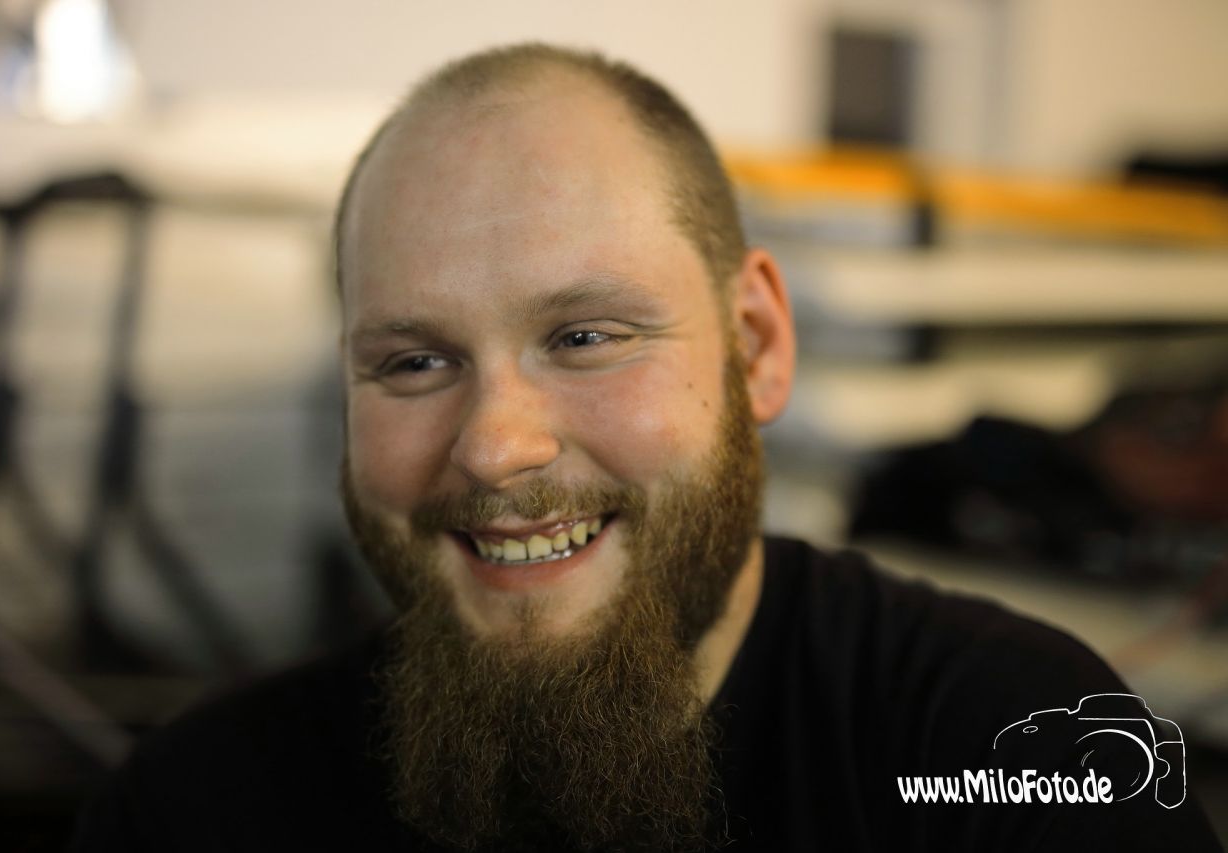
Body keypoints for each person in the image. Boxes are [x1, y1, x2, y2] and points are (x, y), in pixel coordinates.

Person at [74, 43, 1222, 852]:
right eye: (414, 361)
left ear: (755, 346)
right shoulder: (193, 811)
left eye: (584, 337)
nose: (495, 448)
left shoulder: (1011, 751)